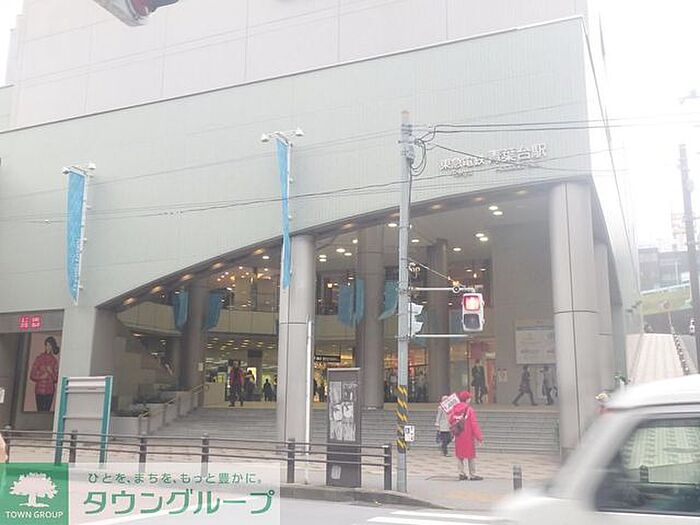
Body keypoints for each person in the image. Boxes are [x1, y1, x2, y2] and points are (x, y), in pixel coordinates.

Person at [448, 391, 484, 480]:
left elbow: (450, 420)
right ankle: (472, 474)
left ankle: (461, 473)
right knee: (471, 456)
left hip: (458, 435)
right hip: (468, 436)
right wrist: (479, 437)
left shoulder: (454, 408)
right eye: (469, 398)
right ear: (467, 399)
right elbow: (474, 424)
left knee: (459, 455)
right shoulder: (469, 410)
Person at [30, 336, 60, 412]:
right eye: (46, 345)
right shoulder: (39, 358)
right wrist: (42, 376)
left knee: (46, 411)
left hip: (49, 390)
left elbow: (56, 378)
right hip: (39, 390)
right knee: (39, 410)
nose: (48, 347)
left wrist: (51, 372)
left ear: (52, 347)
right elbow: (32, 375)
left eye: (50, 345)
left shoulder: (54, 360)